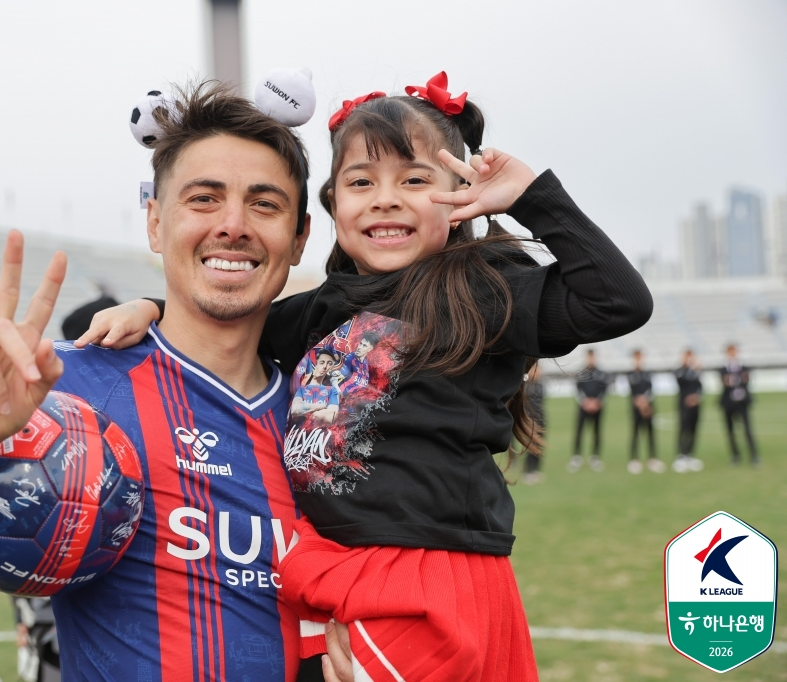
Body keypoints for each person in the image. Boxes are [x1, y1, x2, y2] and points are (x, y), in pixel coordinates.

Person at [87, 71, 653, 681]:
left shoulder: (482, 289)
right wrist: (152, 308)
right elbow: (224, 323)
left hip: (427, 575)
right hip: (336, 570)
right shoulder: (318, 311)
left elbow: (618, 301)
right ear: (333, 206)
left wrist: (532, 198)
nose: (386, 198)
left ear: (462, 197)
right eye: (362, 182)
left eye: (415, 180)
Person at [0, 82, 314, 681]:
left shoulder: (329, 417)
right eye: (203, 199)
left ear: (300, 237)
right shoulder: (54, 392)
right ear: (155, 222)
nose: (233, 225)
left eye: (265, 204)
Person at [570, 349, 610, 472]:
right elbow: (577, 389)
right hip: (584, 406)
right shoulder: (581, 373)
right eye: (589, 357)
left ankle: (595, 456)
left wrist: (597, 401)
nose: (591, 360)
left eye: (592, 357)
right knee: (579, 431)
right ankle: (577, 456)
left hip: (597, 407)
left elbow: (605, 389)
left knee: (597, 431)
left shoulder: (601, 373)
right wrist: (586, 401)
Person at [720, 343, 759, 466]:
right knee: (730, 431)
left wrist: (736, 379)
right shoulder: (723, 369)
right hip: (729, 403)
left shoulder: (744, 367)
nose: (733, 354)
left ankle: (754, 456)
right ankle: (735, 455)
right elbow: (725, 382)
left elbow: (746, 380)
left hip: (742, 403)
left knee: (747, 429)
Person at [627, 349, 663, 473]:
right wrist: (640, 402)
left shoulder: (647, 374)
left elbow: (650, 389)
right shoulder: (631, 374)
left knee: (650, 433)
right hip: (636, 408)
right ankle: (634, 459)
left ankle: (652, 458)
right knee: (635, 433)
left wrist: (645, 403)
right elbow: (632, 391)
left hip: (648, 408)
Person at [673, 349, 705, 473]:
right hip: (684, 405)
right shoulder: (680, 371)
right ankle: (681, 455)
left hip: (695, 406)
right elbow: (681, 382)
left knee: (693, 429)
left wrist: (696, 397)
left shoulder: (696, 372)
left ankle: (690, 454)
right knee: (683, 429)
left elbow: (699, 386)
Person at [521, 363, 546, 484]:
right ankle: (528, 471)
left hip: (540, 420)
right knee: (530, 446)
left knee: (540, 446)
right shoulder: (525, 386)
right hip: (530, 421)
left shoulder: (540, 385)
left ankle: (536, 470)